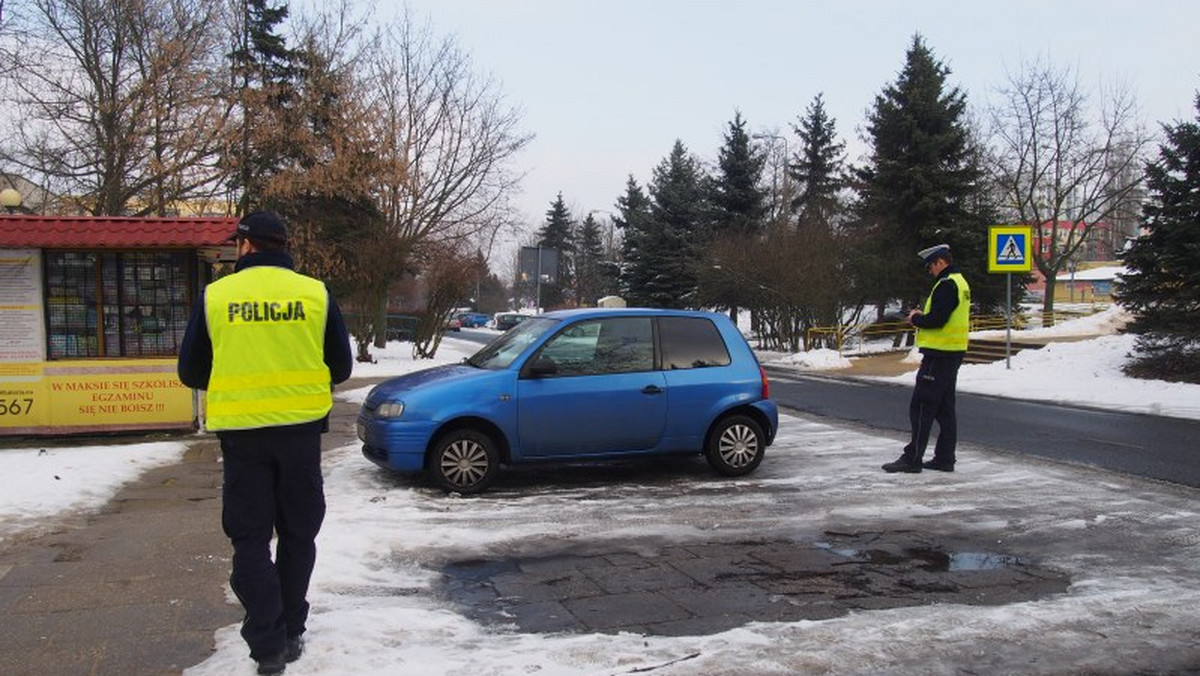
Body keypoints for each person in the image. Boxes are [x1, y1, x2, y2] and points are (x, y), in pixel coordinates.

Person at [177, 211, 353, 675]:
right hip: (300, 434)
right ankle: (291, 629)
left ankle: (268, 645)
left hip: (243, 438)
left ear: (247, 246)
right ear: (284, 247)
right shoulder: (315, 295)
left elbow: (190, 372)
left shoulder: (216, 297)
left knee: (250, 540)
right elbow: (340, 367)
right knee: (299, 534)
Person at [882, 243, 971, 474]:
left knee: (921, 406)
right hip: (952, 352)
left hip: (938, 355)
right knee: (945, 409)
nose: (930, 271)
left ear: (941, 262)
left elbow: (937, 320)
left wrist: (916, 319)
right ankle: (944, 457)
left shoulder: (946, 284)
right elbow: (946, 316)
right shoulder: (961, 283)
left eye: (930, 266)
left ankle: (912, 458)